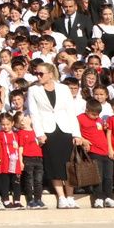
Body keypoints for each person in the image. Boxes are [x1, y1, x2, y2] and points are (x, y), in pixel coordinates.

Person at [26, 62, 85, 208]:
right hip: (48, 130)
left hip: (65, 129)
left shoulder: (63, 88)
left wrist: (76, 134)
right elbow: (34, 113)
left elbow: (70, 111)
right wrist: (39, 133)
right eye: (37, 74)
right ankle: (61, 197)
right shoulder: (33, 90)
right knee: (54, 164)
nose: (38, 76)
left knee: (69, 164)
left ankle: (70, 196)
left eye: (41, 73)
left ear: (50, 74)